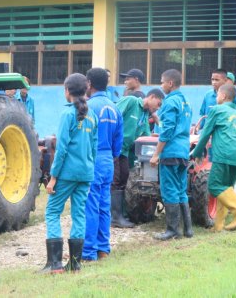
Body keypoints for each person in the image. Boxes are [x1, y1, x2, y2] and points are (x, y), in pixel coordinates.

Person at [43, 73, 98, 274]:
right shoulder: (93, 115)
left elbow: (62, 148)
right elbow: (94, 147)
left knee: (52, 211)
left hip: (67, 174)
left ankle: (55, 264)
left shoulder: (67, 114)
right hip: (86, 173)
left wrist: (53, 177)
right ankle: (75, 264)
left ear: (67, 91)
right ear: (85, 90)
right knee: (79, 214)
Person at [191, 85, 236, 231]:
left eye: (217, 94)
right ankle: (218, 225)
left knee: (214, 186)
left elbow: (206, 133)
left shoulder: (217, 110)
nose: (216, 96)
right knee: (225, 188)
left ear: (223, 96)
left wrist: (196, 153)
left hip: (224, 153)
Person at [82, 68, 123, 261]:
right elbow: (118, 142)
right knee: (104, 206)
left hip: (93, 159)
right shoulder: (115, 108)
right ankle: (103, 249)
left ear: (89, 84)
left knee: (90, 206)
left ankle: (88, 252)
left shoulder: (88, 106)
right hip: (108, 161)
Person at [150, 69, 193, 240]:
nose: (161, 85)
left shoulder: (170, 102)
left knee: (169, 190)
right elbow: (178, 126)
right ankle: (187, 230)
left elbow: (167, 131)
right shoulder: (185, 102)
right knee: (181, 190)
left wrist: (156, 154)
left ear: (170, 83)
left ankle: (172, 230)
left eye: (162, 82)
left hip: (171, 151)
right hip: (183, 151)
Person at [111, 88, 164, 228]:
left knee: (124, 178)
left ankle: (121, 214)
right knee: (114, 180)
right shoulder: (132, 101)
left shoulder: (145, 115)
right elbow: (113, 116)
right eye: (158, 104)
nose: (157, 108)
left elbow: (145, 134)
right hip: (113, 147)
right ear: (151, 97)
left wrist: (158, 137)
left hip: (125, 151)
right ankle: (114, 217)